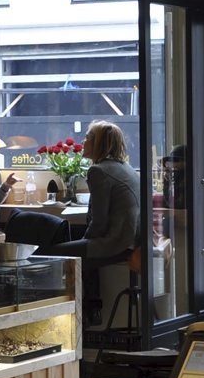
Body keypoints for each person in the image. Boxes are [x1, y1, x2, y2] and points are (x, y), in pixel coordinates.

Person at [45, 122, 141, 317]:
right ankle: (92, 306)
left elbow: (98, 223)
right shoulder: (125, 168)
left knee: (49, 255)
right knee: (74, 241)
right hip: (131, 241)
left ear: (99, 144)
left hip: (116, 244)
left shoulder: (99, 171)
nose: (84, 141)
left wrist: (84, 243)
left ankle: (72, 315)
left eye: (88, 137)